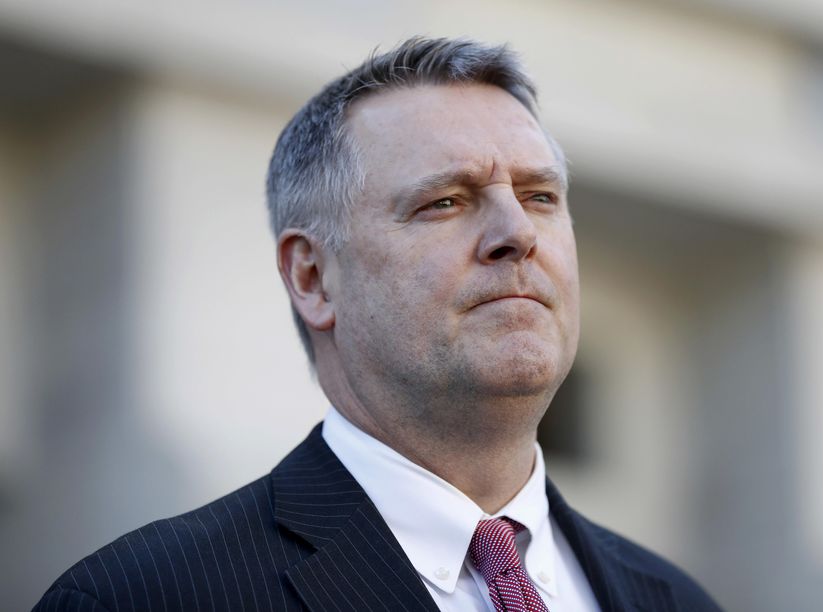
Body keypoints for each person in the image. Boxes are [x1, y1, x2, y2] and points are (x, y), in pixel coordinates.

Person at [34, 37, 721, 611]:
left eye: (540, 196)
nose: (517, 233)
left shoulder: (678, 601)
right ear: (312, 277)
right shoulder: (142, 597)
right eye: (445, 201)